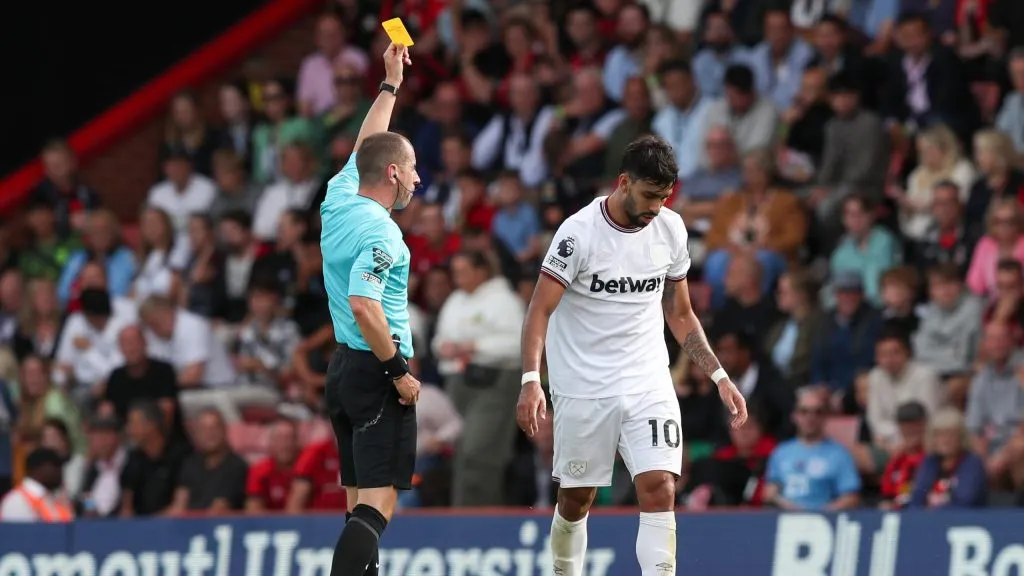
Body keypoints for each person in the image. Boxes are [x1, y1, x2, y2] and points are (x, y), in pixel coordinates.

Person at [516, 134, 748, 576]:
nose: (656, 207)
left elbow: (680, 313)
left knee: (661, 486)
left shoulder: (671, 229)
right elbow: (539, 309)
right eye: (649, 195)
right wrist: (531, 380)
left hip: (648, 380)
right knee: (576, 498)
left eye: (664, 197)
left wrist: (719, 376)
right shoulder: (578, 233)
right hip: (584, 384)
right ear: (624, 182)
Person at [319, 42, 420, 576]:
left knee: (358, 504)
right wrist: (398, 372)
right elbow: (364, 304)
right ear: (394, 174)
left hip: (342, 371)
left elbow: (366, 146)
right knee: (377, 509)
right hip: (376, 370)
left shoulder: (338, 198)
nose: (418, 179)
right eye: (413, 169)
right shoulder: (383, 234)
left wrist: (390, 83)